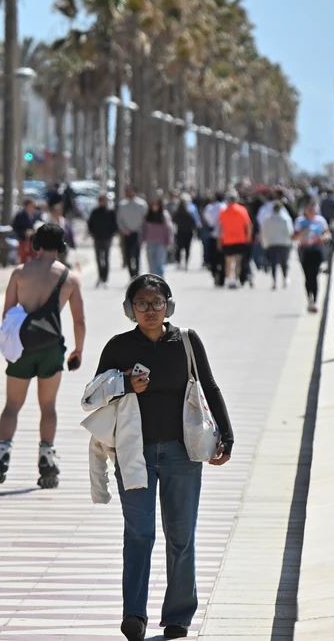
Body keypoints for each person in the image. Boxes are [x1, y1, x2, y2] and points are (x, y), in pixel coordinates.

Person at [93, 274, 234, 641]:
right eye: (141, 304)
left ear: (168, 304)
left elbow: (210, 384)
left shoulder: (185, 341)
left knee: (181, 535)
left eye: (156, 302)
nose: (150, 310)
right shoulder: (119, 347)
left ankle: (177, 617)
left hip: (181, 453)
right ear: (130, 309)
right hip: (133, 453)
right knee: (139, 534)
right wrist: (125, 383)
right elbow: (94, 395)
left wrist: (227, 435)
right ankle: (134, 615)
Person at [0, 223, 86, 491]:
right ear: (61, 247)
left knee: (12, 403)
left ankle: (2, 453)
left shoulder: (19, 272)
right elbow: (79, 320)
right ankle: (47, 456)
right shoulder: (69, 278)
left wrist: (9, 346)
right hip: (51, 347)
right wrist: (78, 350)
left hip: (22, 345)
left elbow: (7, 315)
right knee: (47, 405)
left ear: (36, 244)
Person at [294, 201, 330, 313]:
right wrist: (305, 230)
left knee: (314, 275)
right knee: (307, 276)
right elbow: (295, 237)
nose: (311, 212)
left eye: (313, 209)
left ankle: (315, 300)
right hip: (305, 251)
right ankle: (309, 298)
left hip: (317, 250)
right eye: (309, 209)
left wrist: (323, 238)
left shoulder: (320, 221)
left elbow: (327, 234)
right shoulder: (300, 221)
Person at [217, 193, 252, 289]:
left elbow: (220, 227)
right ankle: (236, 280)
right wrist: (248, 237)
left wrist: (219, 240)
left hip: (227, 240)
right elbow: (248, 225)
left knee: (228, 261)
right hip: (240, 239)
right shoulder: (242, 210)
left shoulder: (223, 211)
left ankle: (229, 280)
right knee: (238, 261)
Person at [260, 201, 294, 290]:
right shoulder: (285, 219)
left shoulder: (268, 219)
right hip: (283, 243)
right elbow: (289, 231)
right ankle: (285, 278)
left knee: (274, 263)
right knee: (284, 262)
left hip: (272, 243)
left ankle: (274, 281)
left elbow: (264, 232)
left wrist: (264, 243)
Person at [117, 187, 149, 278]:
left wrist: (142, 231)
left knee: (136, 254)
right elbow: (119, 220)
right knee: (128, 255)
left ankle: (137, 274)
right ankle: (131, 274)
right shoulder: (122, 205)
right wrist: (124, 229)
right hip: (127, 234)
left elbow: (145, 219)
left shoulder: (141, 204)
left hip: (138, 233)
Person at [88, 194, 118, 287]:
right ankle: (100, 276)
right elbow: (90, 224)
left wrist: (111, 233)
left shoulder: (110, 212)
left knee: (105, 258)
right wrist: (93, 233)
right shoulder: (95, 212)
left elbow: (114, 224)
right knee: (98, 258)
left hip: (107, 238)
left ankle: (105, 277)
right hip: (97, 237)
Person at [141, 197, 174, 277]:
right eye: (153, 205)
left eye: (156, 205)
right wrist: (141, 240)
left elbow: (168, 229)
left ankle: (161, 280)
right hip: (150, 243)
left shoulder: (164, 215)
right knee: (151, 264)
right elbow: (143, 229)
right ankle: (153, 281)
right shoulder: (148, 216)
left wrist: (169, 241)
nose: (155, 206)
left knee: (160, 264)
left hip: (161, 243)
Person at [172, 196, 199, 270]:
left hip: (181, 232)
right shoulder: (189, 213)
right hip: (186, 232)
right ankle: (185, 262)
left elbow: (174, 221)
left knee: (180, 247)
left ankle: (180, 262)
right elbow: (194, 224)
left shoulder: (178, 213)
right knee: (186, 248)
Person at [11, 199, 40, 264]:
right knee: (23, 257)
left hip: (34, 240)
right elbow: (15, 227)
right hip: (23, 240)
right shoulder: (20, 215)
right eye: (31, 205)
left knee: (34, 257)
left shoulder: (36, 215)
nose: (33, 207)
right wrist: (24, 232)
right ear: (27, 205)